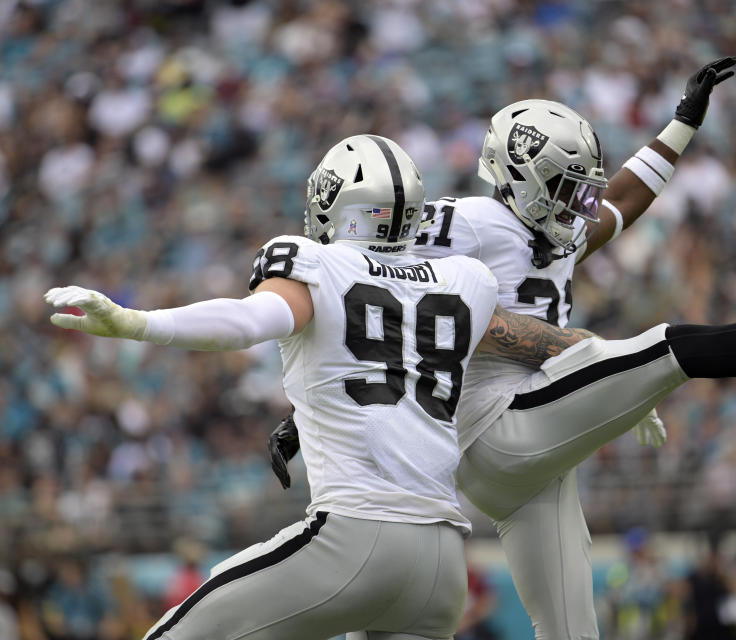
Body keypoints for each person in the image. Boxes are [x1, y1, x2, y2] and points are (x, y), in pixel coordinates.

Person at [273, 60, 736, 640]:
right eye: (565, 188)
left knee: (570, 629)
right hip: (492, 426)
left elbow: (620, 201)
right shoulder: (468, 222)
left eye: (579, 187)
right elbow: (372, 286)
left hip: (538, 454)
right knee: (670, 347)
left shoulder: (551, 232)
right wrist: (307, 417)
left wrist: (681, 127)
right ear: (518, 177)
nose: (580, 202)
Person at [43, 134, 599, 640]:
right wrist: (604, 368)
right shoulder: (466, 280)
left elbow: (248, 321)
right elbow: (530, 337)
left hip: (355, 538)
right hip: (442, 564)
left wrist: (137, 322)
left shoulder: (316, 262)